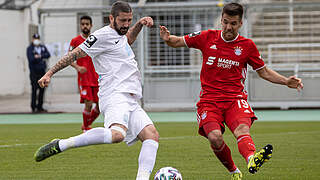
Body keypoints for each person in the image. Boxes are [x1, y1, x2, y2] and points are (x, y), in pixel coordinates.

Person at [159, 2, 303, 180]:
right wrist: (167, 38)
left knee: (242, 129)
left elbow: (264, 72)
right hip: (209, 101)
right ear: (221, 20)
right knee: (215, 138)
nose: (228, 27)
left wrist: (286, 81)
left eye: (233, 23)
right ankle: (234, 171)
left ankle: (251, 159)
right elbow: (178, 41)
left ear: (240, 23)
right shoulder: (207, 37)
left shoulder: (247, 46)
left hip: (235, 100)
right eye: (225, 22)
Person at [34, 1, 159, 180]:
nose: (126, 24)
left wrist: (139, 24)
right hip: (115, 94)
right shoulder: (101, 36)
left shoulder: (121, 33)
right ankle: (61, 144)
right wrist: (49, 73)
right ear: (111, 18)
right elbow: (74, 54)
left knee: (151, 136)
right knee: (117, 134)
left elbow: (128, 39)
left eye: (129, 20)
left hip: (130, 98)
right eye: (123, 20)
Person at [69, 15, 100, 132]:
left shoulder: (95, 39)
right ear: (80, 26)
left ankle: (86, 124)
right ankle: (86, 128)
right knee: (88, 104)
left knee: (101, 106)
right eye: (83, 24)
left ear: (91, 25)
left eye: (87, 24)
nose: (85, 26)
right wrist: (77, 67)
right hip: (85, 78)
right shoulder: (75, 41)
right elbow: (69, 58)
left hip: (97, 77)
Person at [26, 33, 51, 113]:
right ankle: (33, 107)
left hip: (42, 72)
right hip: (34, 73)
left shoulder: (42, 47)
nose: (36, 40)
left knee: (42, 89)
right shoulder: (30, 48)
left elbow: (48, 54)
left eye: (37, 38)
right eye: (35, 38)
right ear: (32, 39)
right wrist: (39, 58)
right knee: (34, 90)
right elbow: (31, 59)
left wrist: (39, 56)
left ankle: (40, 107)